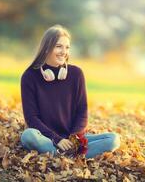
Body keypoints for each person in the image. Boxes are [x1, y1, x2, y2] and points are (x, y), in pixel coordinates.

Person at [20, 25, 120, 159]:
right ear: (46, 48)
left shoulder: (76, 74)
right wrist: (57, 140)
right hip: (45, 138)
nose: (64, 51)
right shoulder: (29, 76)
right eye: (59, 46)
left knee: (113, 139)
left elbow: (82, 111)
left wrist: (73, 139)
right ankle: (68, 155)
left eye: (67, 47)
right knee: (28, 136)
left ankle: (60, 155)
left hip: (71, 139)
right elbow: (31, 118)